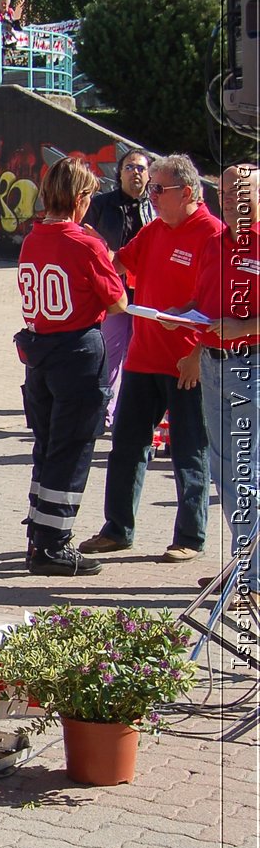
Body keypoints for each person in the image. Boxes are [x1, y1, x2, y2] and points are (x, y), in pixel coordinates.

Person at [79, 154, 222, 564]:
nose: (152, 195)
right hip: (144, 357)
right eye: (153, 187)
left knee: (189, 452)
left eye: (160, 189)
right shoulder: (156, 228)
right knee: (126, 446)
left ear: (189, 193)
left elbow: (213, 305)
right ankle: (117, 530)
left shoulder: (213, 235)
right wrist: (91, 249)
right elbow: (121, 264)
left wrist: (197, 354)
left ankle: (190, 538)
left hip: (187, 363)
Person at [15, 158, 127, 576]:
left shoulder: (32, 239)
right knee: (73, 447)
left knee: (46, 445)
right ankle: (53, 544)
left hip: (39, 349)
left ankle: (38, 534)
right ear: (80, 199)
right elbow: (118, 303)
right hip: (78, 350)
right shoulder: (85, 243)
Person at [178, 163, 258, 583]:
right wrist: (181, 320)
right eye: (224, 192)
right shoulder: (215, 243)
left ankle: (253, 576)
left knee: (247, 470)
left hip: (252, 366)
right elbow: (205, 304)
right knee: (225, 471)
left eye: (240, 193)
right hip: (213, 365)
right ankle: (247, 567)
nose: (230, 200)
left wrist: (244, 328)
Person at [83, 148, 154, 426]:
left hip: (146, 293)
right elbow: (86, 239)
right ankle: (103, 412)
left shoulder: (156, 208)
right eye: (129, 167)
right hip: (112, 289)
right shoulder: (101, 205)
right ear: (119, 173)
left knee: (138, 354)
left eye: (140, 168)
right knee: (110, 352)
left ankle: (130, 412)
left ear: (149, 175)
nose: (135, 173)